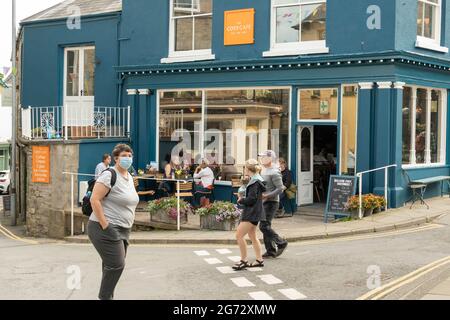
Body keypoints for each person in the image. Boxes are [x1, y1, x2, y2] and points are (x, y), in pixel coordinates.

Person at [88, 144, 140, 300]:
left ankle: (108, 296)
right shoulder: (109, 175)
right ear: (116, 158)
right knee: (117, 265)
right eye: (124, 156)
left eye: (130, 156)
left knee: (110, 266)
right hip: (103, 227)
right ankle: (105, 297)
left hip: (124, 229)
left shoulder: (129, 177)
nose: (128, 158)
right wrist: (105, 225)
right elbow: (94, 199)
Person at [233, 159, 266, 271]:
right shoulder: (256, 180)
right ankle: (259, 259)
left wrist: (241, 200)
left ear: (248, 169)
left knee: (239, 235)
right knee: (252, 236)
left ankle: (243, 260)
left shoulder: (254, 183)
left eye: (245, 168)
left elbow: (251, 199)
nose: (244, 169)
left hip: (251, 212)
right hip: (256, 212)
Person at [258, 150, 288, 259]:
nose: (261, 159)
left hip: (272, 202)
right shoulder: (263, 170)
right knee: (266, 226)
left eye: (264, 157)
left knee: (263, 226)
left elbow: (280, 189)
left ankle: (281, 242)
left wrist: (267, 196)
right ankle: (270, 251)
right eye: (261, 157)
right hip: (264, 201)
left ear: (270, 159)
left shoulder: (275, 172)